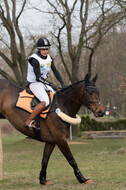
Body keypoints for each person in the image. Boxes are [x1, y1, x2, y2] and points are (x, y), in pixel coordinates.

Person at [25, 37, 65, 128]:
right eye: (43, 49)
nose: (45, 51)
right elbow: (38, 77)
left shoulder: (49, 58)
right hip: (34, 83)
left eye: (47, 49)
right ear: (39, 49)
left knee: (55, 96)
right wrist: (50, 84)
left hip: (43, 83)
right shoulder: (34, 59)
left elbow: (55, 71)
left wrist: (62, 83)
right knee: (45, 101)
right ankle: (29, 120)